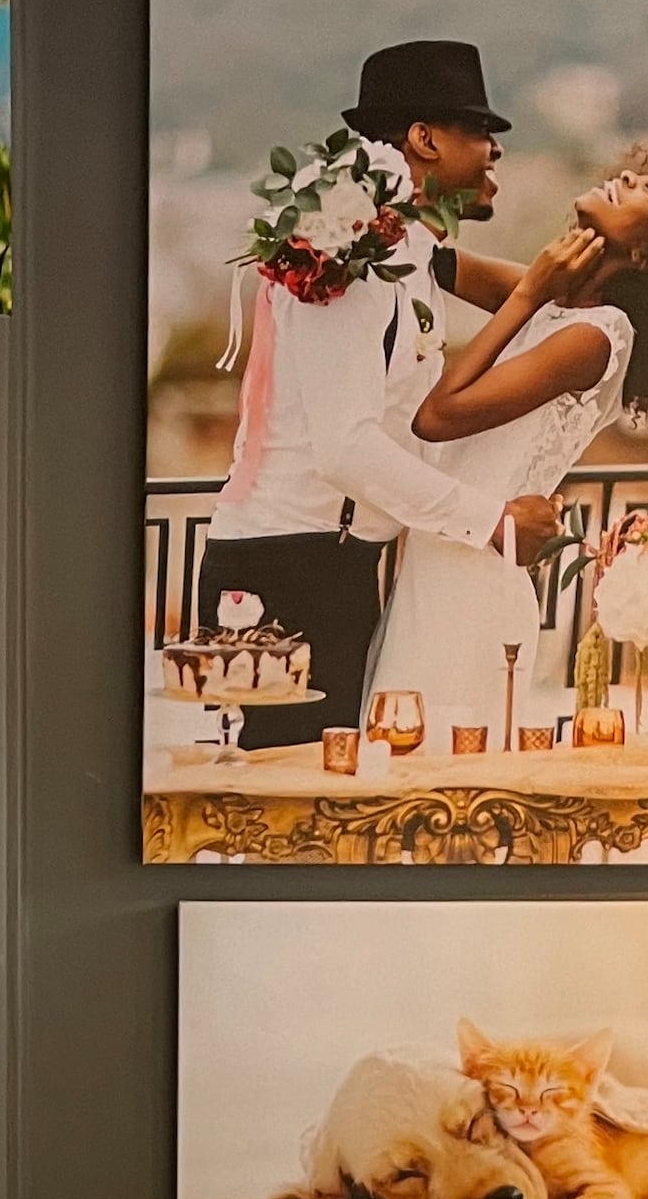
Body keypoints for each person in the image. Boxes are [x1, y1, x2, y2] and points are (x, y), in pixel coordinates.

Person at [198, 39, 562, 750]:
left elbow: (518, 293)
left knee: (323, 806)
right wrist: (488, 519)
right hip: (287, 566)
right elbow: (346, 446)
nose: (495, 152)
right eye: (479, 132)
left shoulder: (407, 245)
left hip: (337, 564)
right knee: (282, 812)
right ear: (424, 139)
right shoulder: (348, 241)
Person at [363, 145, 648, 733]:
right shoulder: (562, 305)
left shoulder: (597, 337)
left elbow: (437, 417)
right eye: (636, 175)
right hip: (441, 562)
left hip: (472, 585)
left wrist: (528, 292)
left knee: (436, 783)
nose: (625, 176)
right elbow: (434, 263)